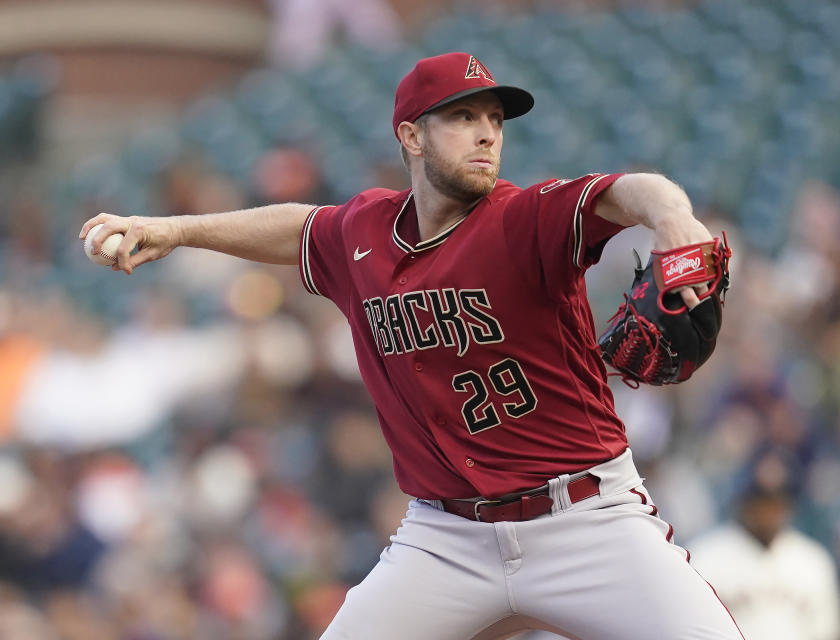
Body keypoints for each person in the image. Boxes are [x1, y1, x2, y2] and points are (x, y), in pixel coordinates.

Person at [80, 52, 742, 640]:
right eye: (463, 117)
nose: (487, 132)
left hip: (584, 519)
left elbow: (626, 192)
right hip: (446, 539)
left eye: (496, 119)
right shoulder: (364, 231)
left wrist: (674, 217)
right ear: (412, 135)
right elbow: (298, 228)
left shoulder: (523, 218)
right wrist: (174, 230)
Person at [688, 447, 840, 640]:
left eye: (777, 499)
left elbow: (826, 632)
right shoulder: (704, 557)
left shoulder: (812, 560)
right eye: (760, 499)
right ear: (743, 501)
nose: (769, 510)